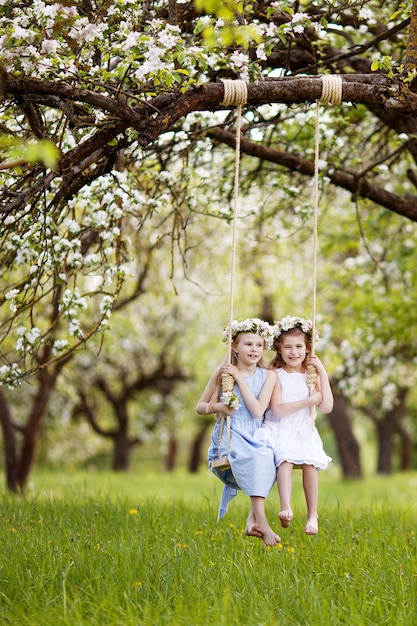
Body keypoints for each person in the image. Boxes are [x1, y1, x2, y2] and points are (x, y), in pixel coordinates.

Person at [196, 318, 280, 546]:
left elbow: (257, 411)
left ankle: (252, 520)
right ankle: (261, 523)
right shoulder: (223, 374)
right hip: (231, 434)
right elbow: (200, 406)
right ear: (234, 346)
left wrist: (241, 379)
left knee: (266, 457)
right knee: (254, 457)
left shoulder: (269, 376)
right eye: (248, 344)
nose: (254, 349)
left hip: (256, 432)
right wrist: (218, 407)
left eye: (259, 345)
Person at [259, 316, 333, 536]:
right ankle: (286, 507)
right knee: (285, 458)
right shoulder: (276, 375)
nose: (294, 352)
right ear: (279, 350)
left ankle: (312, 515)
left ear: (307, 348)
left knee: (310, 464)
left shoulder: (310, 376)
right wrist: (309, 401)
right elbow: (279, 409)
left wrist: (322, 373)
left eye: (299, 346)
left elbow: (327, 407)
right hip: (280, 426)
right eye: (288, 347)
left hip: (303, 428)